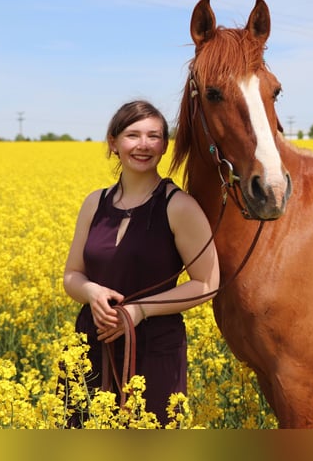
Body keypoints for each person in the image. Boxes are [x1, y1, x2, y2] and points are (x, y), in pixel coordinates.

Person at [63, 100, 220, 426]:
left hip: (153, 347)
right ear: (114, 143)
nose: (144, 145)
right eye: (133, 135)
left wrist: (139, 310)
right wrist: (91, 292)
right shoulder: (95, 203)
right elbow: (72, 275)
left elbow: (207, 283)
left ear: (164, 146)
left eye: (154, 136)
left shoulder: (179, 206)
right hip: (92, 342)